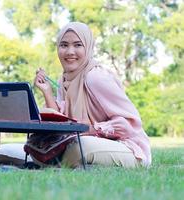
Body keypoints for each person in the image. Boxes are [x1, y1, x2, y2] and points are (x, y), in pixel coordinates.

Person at [31, 22, 151, 168]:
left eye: (77, 45)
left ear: (88, 47)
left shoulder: (95, 77)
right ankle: (65, 164)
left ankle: (61, 164)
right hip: (85, 143)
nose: (70, 51)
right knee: (33, 146)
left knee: (78, 147)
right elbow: (60, 122)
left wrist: (87, 129)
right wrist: (47, 92)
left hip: (129, 149)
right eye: (63, 45)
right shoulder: (64, 79)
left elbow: (128, 124)